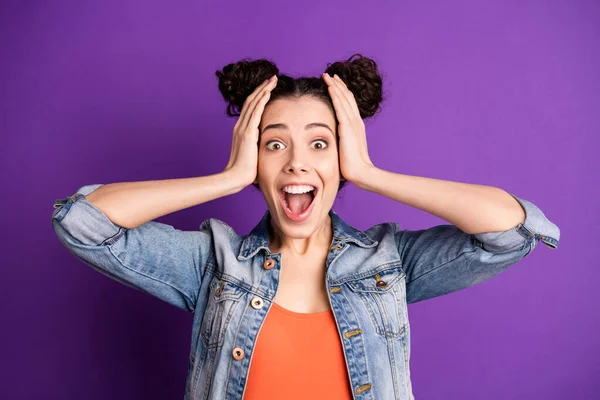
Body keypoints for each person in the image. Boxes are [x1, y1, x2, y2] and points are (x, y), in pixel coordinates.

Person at [51, 54, 560, 400]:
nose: (296, 163)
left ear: (342, 158)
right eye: (275, 144)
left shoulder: (388, 262)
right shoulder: (214, 263)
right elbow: (83, 221)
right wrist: (227, 178)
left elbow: (512, 231)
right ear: (256, 159)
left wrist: (371, 174)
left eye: (320, 144)